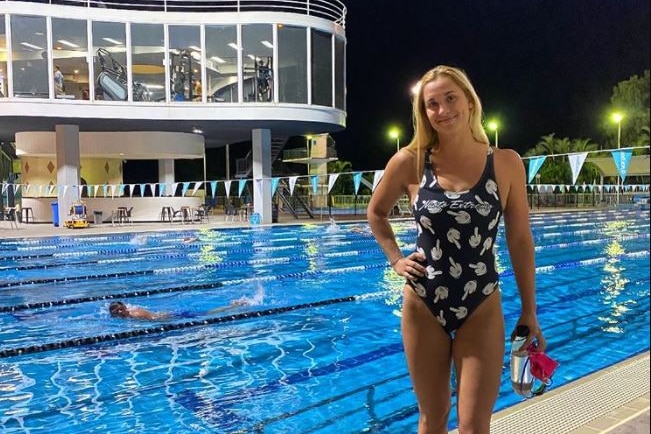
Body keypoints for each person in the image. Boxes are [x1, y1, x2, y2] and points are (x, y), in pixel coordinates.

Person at [366, 65, 545, 433]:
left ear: (469, 101)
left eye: (450, 98)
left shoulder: (506, 163)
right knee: (433, 419)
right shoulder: (410, 161)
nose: (443, 109)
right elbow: (376, 213)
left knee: (475, 425)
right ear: (424, 113)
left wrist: (530, 310)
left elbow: (520, 239)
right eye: (432, 103)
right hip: (423, 301)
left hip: (481, 302)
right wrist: (396, 259)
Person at [108, 299, 248, 320]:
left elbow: (154, 319)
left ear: (125, 307)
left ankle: (235, 305)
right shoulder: (129, 314)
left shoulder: (135, 314)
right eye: (116, 312)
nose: (120, 312)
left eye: (121, 309)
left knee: (209, 313)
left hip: (174, 316)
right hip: (171, 315)